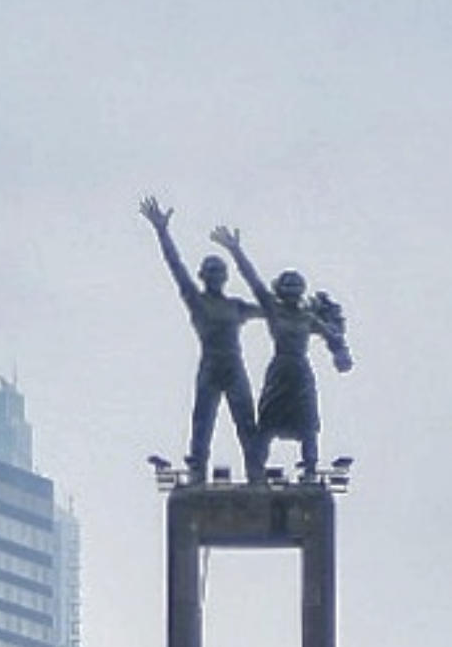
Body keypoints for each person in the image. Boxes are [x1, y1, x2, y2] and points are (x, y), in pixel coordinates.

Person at [140, 196, 264, 481]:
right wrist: (162, 231)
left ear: (226, 276)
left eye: (220, 271)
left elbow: (274, 311)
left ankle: (256, 473)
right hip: (210, 365)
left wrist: (237, 251)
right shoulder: (197, 301)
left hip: (234, 367)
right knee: (202, 423)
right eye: (210, 272)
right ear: (203, 276)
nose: (216, 276)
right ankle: (198, 471)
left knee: (246, 422)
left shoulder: (236, 306)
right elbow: (176, 266)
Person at [213, 225, 351, 479]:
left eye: (296, 284)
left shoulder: (308, 317)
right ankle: (256, 469)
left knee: (308, 423)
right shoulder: (274, 310)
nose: (292, 288)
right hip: (280, 369)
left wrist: (340, 353)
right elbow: (253, 280)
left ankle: (310, 468)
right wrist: (235, 250)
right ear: (280, 288)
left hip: (300, 370)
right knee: (268, 423)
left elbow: (333, 336)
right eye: (287, 284)